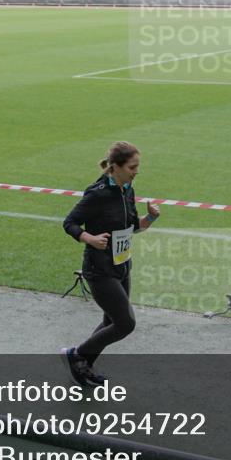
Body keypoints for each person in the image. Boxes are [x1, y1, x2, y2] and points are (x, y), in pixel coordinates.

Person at [61, 141, 160, 387]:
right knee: (125, 323)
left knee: (110, 322)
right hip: (99, 270)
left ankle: (83, 367)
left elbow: (131, 227)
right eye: (132, 167)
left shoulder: (127, 188)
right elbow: (70, 223)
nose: (136, 171)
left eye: (137, 167)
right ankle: (76, 355)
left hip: (122, 266)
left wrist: (151, 218)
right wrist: (89, 238)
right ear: (115, 167)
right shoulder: (97, 193)